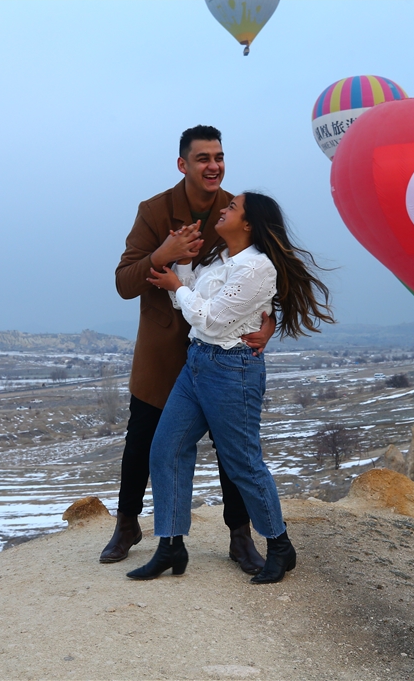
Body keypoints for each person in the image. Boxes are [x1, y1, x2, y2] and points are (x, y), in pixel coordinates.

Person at [128, 192, 334, 584]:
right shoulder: (221, 258)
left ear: (249, 224)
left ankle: (279, 545)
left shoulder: (257, 268)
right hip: (197, 363)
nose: (224, 210)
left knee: (243, 462)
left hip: (231, 370)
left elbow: (212, 319)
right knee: (166, 448)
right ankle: (171, 545)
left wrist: (176, 284)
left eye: (232, 208)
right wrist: (182, 265)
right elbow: (189, 302)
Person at [105, 126, 275, 573]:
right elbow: (124, 283)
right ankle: (128, 525)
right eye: (203, 158)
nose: (213, 166)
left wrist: (271, 321)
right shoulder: (154, 211)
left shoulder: (237, 211)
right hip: (164, 349)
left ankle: (240, 536)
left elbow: (265, 272)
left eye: (219, 156)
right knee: (144, 440)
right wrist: (162, 253)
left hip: (222, 349)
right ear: (183, 164)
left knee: (232, 444)